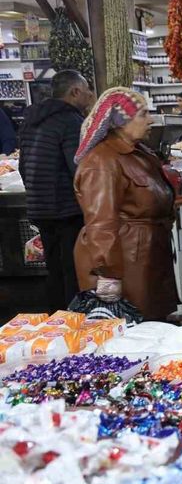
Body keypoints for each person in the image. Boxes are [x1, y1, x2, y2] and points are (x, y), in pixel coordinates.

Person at [73, 88, 178, 320]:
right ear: (119, 122)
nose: (150, 120)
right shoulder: (101, 161)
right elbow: (101, 224)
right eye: (143, 114)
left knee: (153, 324)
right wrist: (108, 274)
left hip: (145, 257)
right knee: (133, 327)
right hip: (126, 263)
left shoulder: (138, 153)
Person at [17, 70, 95, 311]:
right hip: (67, 208)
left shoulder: (31, 121)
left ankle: (56, 318)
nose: (90, 95)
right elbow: (78, 169)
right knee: (73, 269)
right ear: (75, 92)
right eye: (87, 90)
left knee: (54, 270)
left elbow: (22, 166)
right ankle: (74, 319)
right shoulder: (71, 122)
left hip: (40, 208)